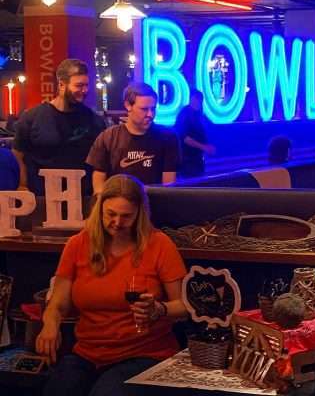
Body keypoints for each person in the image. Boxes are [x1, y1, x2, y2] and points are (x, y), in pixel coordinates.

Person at [36, 174, 188, 396]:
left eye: (126, 216)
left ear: (140, 214)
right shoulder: (78, 244)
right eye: (111, 214)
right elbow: (58, 302)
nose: (117, 222)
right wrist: (50, 324)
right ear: (99, 210)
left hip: (144, 353)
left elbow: (184, 307)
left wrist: (159, 309)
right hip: (88, 352)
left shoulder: (159, 244)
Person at [12, 59, 104, 196]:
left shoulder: (94, 120)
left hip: (82, 198)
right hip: (42, 199)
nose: (84, 91)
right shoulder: (32, 118)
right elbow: (18, 155)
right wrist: (22, 185)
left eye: (86, 85)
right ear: (61, 85)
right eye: (79, 86)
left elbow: (101, 162)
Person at [87, 82, 178, 194]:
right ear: (128, 105)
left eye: (153, 109)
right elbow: (99, 180)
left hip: (154, 206)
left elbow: (168, 186)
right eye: (144, 109)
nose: (150, 114)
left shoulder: (167, 137)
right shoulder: (108, 137)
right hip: (118, 207)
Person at [174, 90, 216, 178]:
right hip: (188, 160)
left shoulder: (198, 114)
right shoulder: (185, 114)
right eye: (197, 100)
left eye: (200, 100)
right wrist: (204, 147)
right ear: (192, 99)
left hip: (196, 159)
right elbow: (185, 138)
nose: (199, 103)